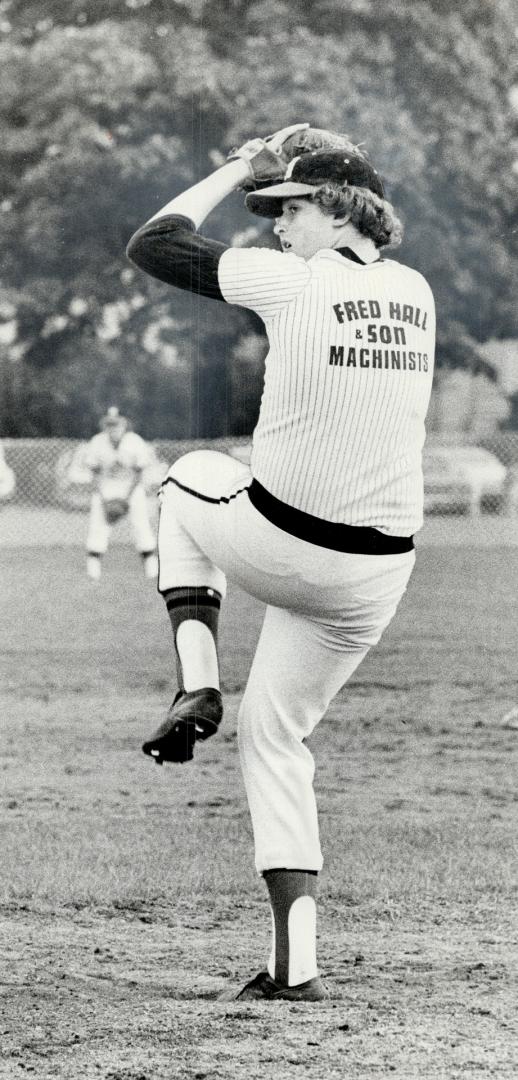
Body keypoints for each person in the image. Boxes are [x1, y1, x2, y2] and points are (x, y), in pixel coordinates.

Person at [126, 124, 436, 1001]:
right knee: (278, 735)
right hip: (376, 578)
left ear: (338, 210)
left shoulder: (294, 281)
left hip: (289, 542)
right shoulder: (417, 291)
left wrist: (238, 165)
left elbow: (153, 243)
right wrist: (300, 174)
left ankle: (196, 680)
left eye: (289, 208)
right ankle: (295, 964)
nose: (274, 225)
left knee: (185, 480)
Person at [82, 407, 158, 581]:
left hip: (130, 488)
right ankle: (93, 570)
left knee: (140, 524)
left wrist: (125, 499)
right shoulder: (97, 441)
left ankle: (151, 567)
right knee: (98, 525)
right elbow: (94, 473)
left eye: (116, 423)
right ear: (104, 425)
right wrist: (104, 499)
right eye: (109, 424)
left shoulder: (135, 441)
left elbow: (139, 473)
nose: (112, 427)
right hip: (105, 488)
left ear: (124, 424)